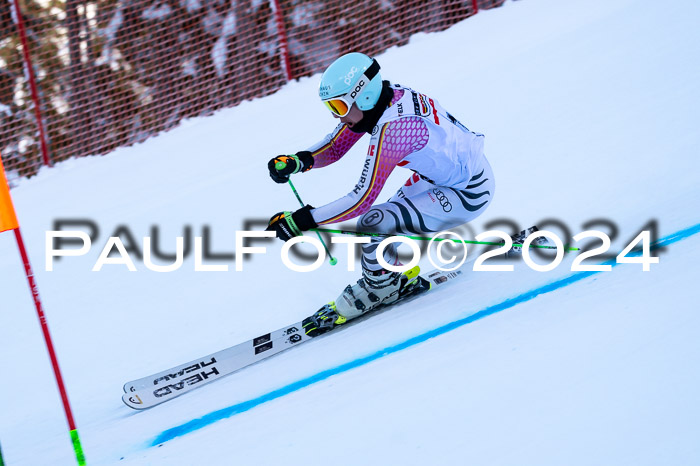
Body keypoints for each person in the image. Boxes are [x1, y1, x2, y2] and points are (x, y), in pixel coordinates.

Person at [266, 52, 495, 336]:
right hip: (442, 179)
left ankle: (380, 288)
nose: (337, 115)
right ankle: (394, 275)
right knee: (384, 225)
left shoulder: (395, 128)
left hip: (467, 191)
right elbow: (336, 147)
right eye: (331, 108)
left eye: (339, 106)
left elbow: (362, 199)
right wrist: (299, 161)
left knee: (372, 222)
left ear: (362, 96)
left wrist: (303, 220)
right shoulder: (385, 100)